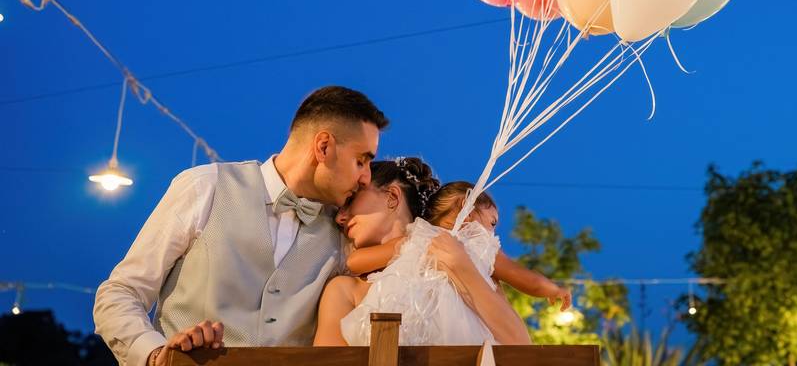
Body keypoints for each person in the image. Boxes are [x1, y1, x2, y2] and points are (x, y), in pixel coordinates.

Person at [94, 86, 388, 366]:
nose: (365, 178)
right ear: (323, 147)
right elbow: (120, 292)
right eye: (361, 161)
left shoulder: (341, 235)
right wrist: (155, 354)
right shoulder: (206, 186)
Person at [314, 159, 531, 346]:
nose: (339, 217)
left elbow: (520, 346)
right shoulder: (345, 290)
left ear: (392, 196)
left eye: (351, 200)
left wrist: (462, 267)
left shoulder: (473, 265)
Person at [346, 181, 572, 310]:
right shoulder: (477, 246)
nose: (492, 233)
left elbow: (355, 262)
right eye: (492, 222)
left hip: (402, 326)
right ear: (466, 207)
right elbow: (520, 275)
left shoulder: (417, 238)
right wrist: (552, 289)